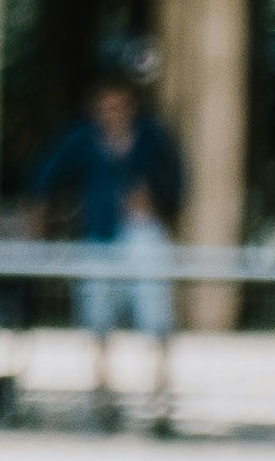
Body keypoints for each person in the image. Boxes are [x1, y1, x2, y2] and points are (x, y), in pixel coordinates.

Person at [29, 70, 187, 428]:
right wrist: (40, 216)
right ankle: (103, 391)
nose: (113, 114)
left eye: (119, 106)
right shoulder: (83, 139)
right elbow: (47, 174)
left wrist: (156, 200)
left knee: (154, 307)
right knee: (97, 309)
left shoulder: (151, 136)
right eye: (106, 107)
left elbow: (177, 181)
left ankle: (160, 389)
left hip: (143, 232)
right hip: (100, 233)